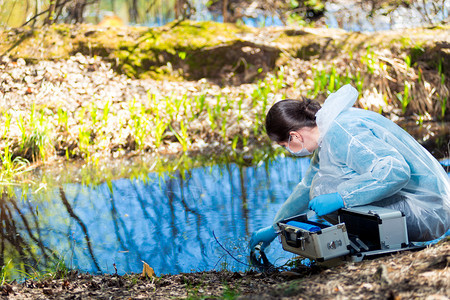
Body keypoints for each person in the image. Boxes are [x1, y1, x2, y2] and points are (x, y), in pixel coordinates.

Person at [249, 84, 450, 251]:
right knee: (318, 187)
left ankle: (379, 245)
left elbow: (396, 171)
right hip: (418, 202)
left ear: (295, 136)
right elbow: (305, 186)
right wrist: (276, 227)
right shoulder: (327, 133)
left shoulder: (343, 131)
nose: (289, 150)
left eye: (285, 146)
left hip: (427, 210)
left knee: (323, 190)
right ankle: (371, 242)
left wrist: (342, 197)